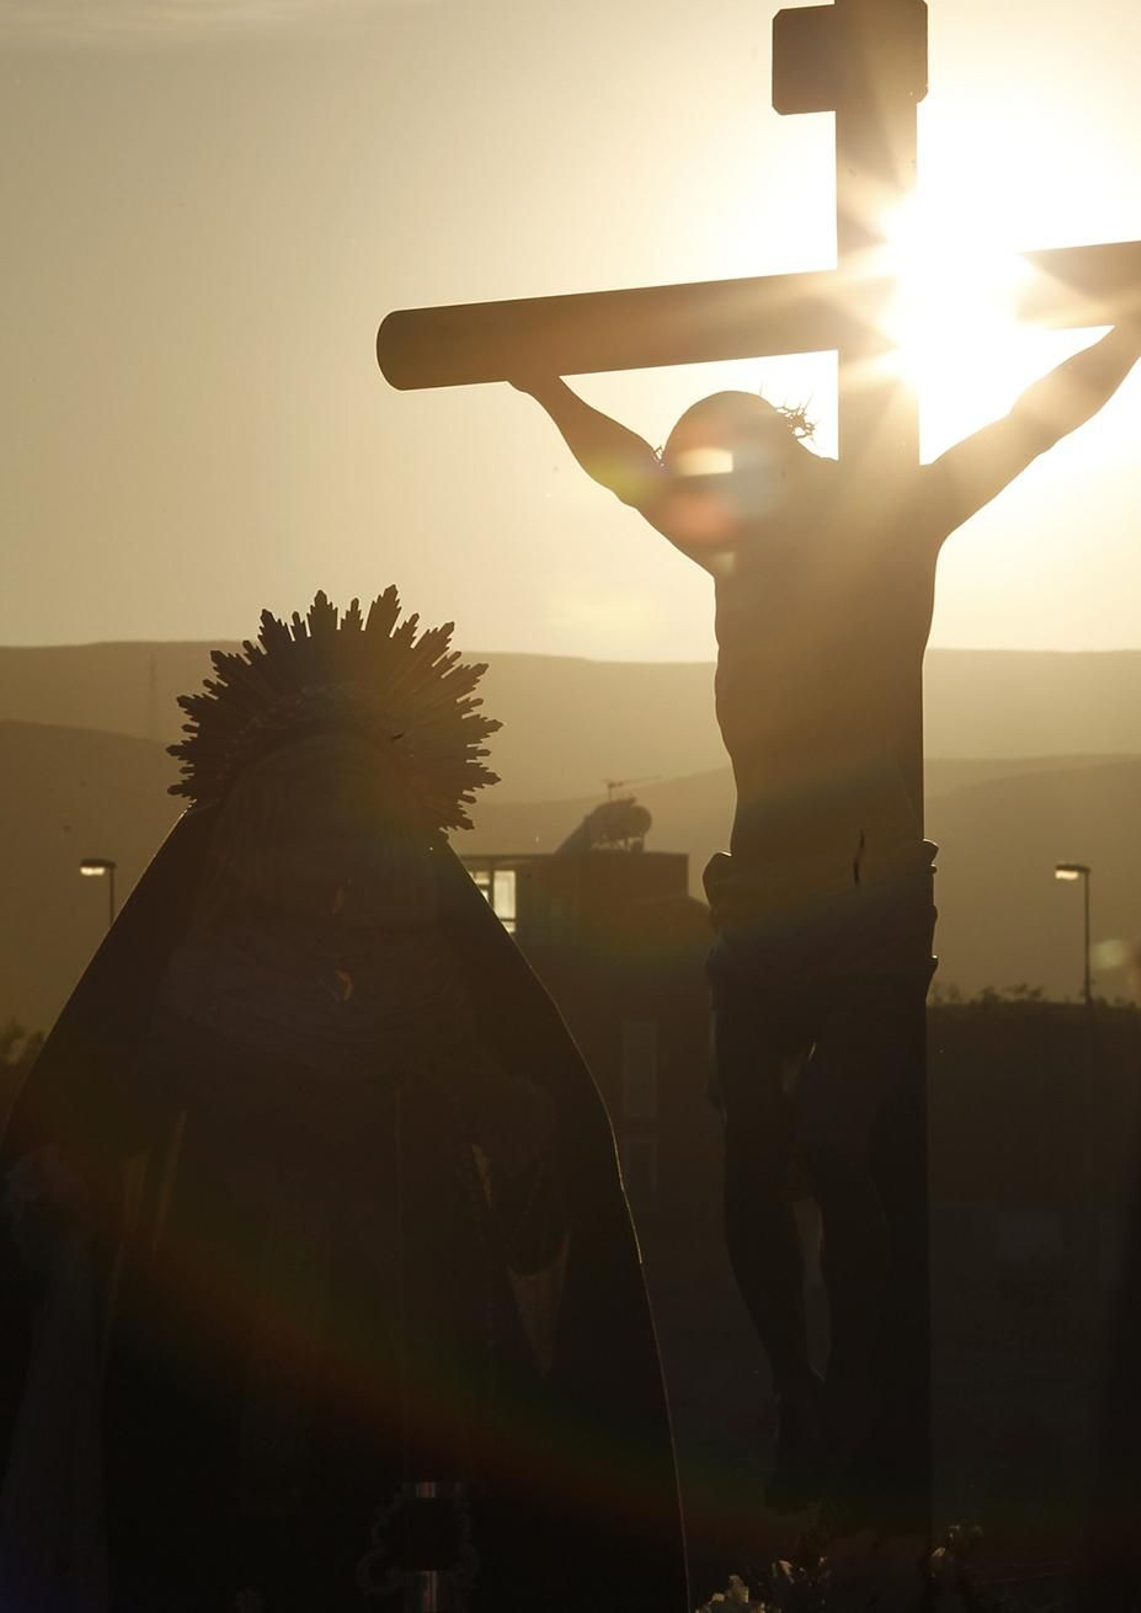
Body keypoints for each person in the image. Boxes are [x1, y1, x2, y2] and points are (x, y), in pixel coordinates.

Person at [515, 316, 1141, 1512]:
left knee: (827, 1135)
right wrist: (540, 381)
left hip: (866, 902)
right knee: (751, 1144)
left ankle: (855, 1376)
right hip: (761, 899)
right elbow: (624, 471)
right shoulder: (733, 548)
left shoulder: (896, 522)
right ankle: (798, 1390)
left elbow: (1039, 415)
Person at [0, 588, 686, 1613]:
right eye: (302, 820)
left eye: (352, 821)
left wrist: (519, 1137)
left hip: (404, 1359)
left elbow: (538, 1177)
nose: (331, 861)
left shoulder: (436, 1006)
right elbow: (93, 1143)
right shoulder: (196, 994)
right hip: (209, 1354)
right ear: (250, 832)